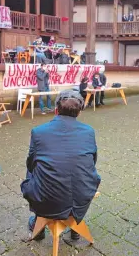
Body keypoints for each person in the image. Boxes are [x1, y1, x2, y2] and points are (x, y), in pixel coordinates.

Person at [21, 90, 100, 241]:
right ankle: (75, 221)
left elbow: (31, 164)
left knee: (33, 170)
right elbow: (93, 161)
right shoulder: (89, 131)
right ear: (79, 113)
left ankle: (39, 222)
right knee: (77, 170)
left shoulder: (38, 132)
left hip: (48, 199)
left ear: (56, 110)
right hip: (81, 196)